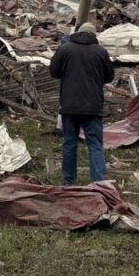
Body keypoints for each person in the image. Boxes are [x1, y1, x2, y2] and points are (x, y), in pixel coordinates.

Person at [48, 20, 115, 185]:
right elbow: (109, 77)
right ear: (94, 35)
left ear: (78, 32)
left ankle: (69, 183)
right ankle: (100, 184)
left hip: (69, 105)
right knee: (95, 145)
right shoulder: (101, 51)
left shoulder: (65, 49)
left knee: (70, 144)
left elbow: (53, 72)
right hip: (93, 106)